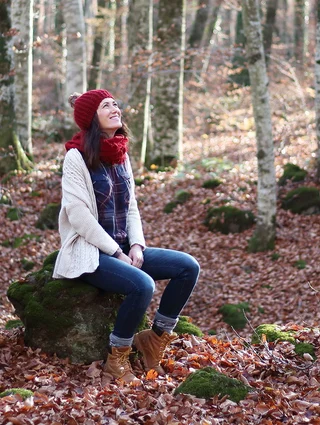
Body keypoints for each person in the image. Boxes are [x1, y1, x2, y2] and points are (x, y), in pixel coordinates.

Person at [53, 89, 200, 385]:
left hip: (122, 246)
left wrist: (136, 246)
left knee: (188, 267)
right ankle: (116, 357)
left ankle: (155, 338)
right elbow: (78, 215)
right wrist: (117, 253)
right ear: (91, 118)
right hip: (91, 251)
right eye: (106, 106)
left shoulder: (120, 153)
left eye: (115, 103)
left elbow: (131, 205)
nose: (115, 108)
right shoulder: (76, 157)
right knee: (142, 285)